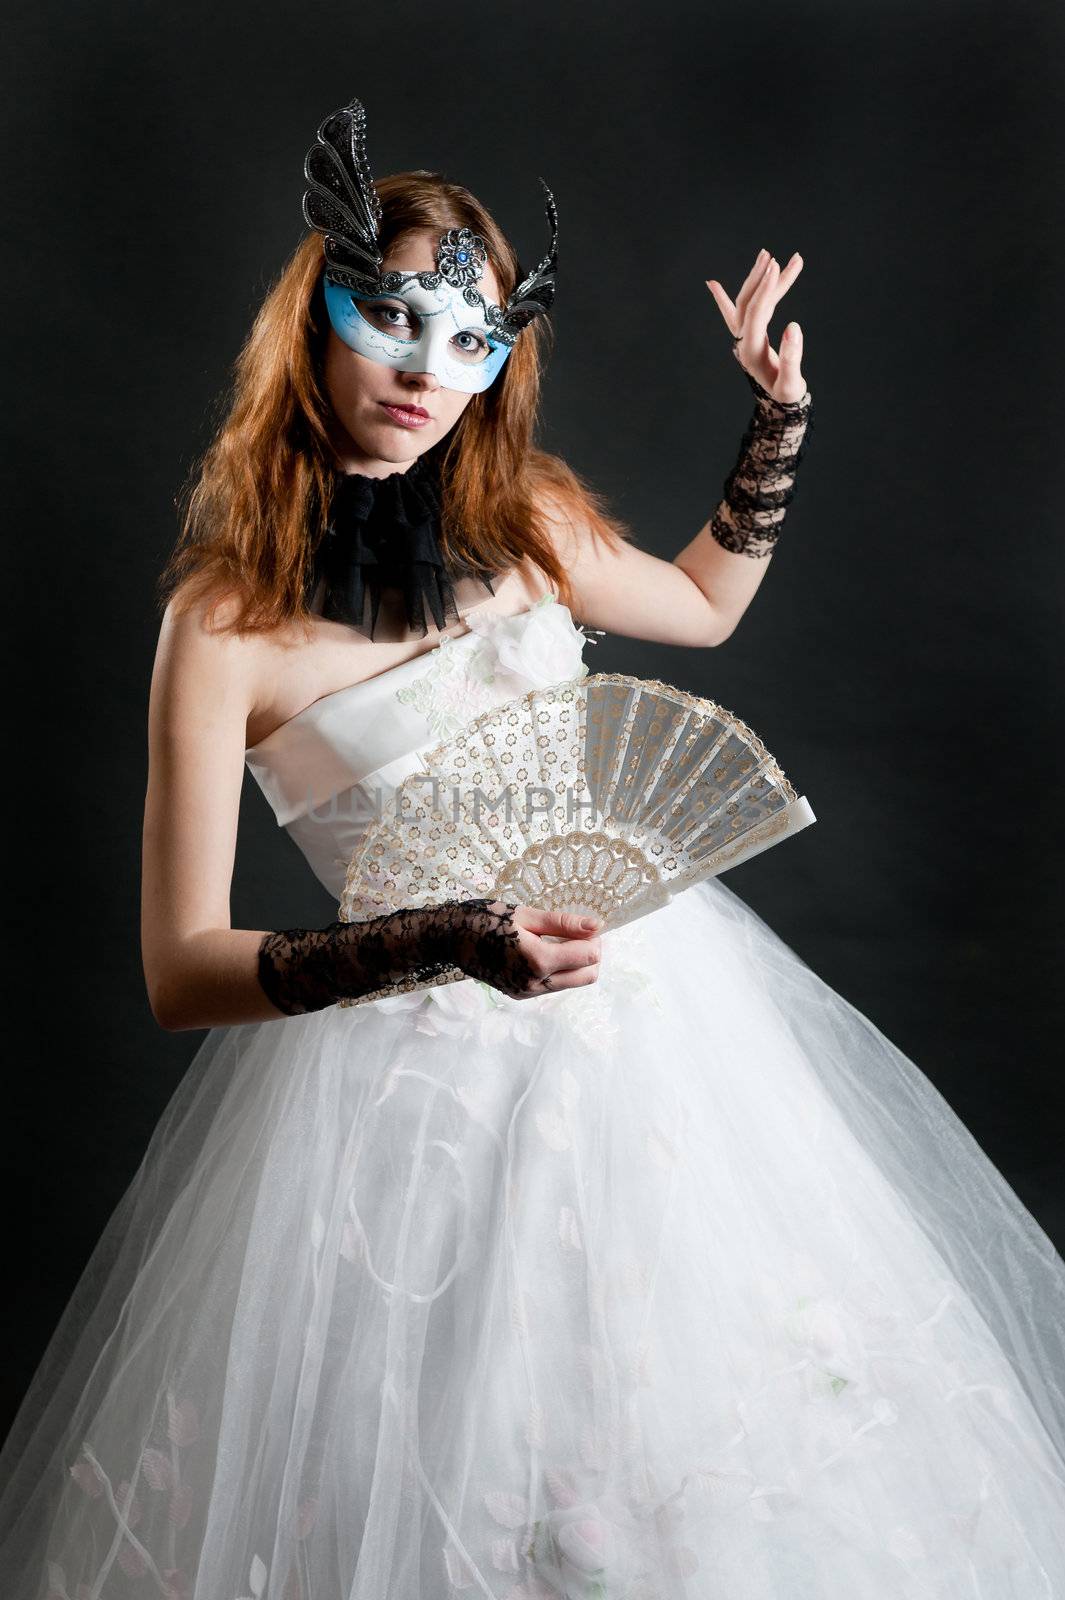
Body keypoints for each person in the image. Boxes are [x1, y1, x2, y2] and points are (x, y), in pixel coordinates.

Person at [1, 92, 1063, 1600]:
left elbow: (699, 608)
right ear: (315, 313)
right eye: (396, 321)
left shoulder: (524, 517)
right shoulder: (217, 626)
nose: (431, 372)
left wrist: (777, 417)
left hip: (660, 1046)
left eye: (473, 339)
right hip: (402, 1098)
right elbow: (182, 970)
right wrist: (443, 941)